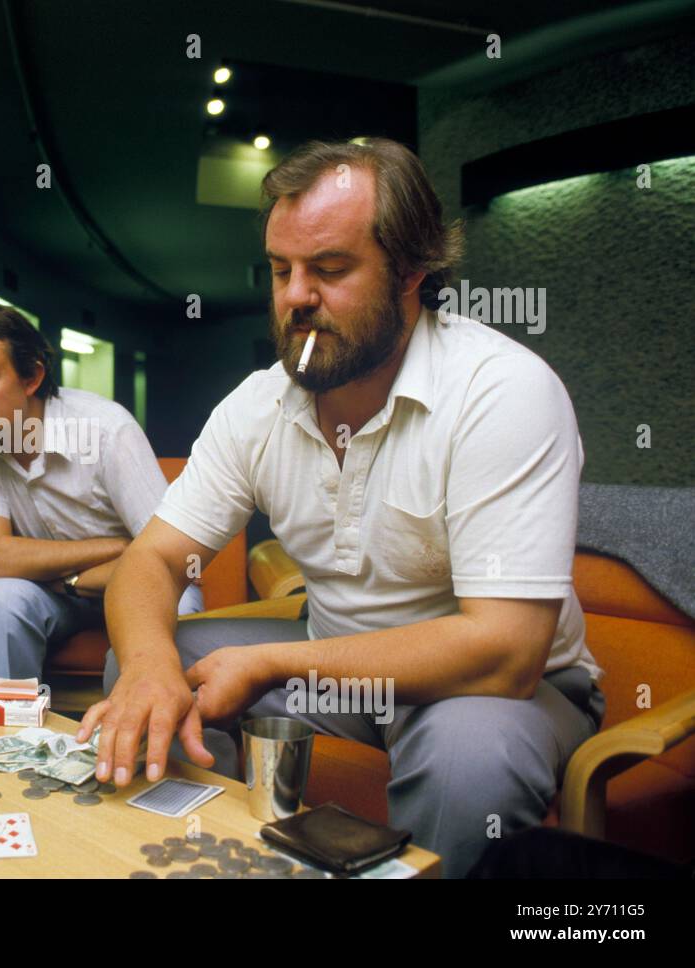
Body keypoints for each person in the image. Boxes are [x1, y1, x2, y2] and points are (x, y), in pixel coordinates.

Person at [76, 139, 604, 878]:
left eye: (329, 269)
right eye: (280, 269)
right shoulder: (259, 405)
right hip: (334, 667)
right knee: (145, 672)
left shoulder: (502, 391)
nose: (295, 296)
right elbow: (154, 559)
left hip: (498, 686)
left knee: (466, 759)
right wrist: (149, 666)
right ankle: (219, 864)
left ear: (413, 271)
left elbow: (507, 650)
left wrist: (269, 661)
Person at [0, 304, 202, 682]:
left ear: (31, 377)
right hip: (56, 593)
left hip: (143, 581)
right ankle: (7, 733)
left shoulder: (106, 430)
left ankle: (147, 735)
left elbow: (170, 558)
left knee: (182, 620)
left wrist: (71, 579)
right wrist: (116, 547)